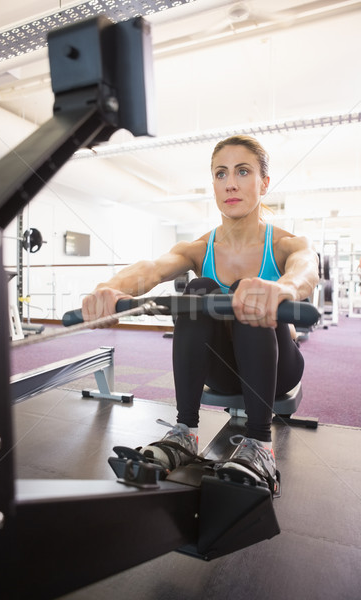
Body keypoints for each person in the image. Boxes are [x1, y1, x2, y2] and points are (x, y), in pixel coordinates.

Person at [82, 135, 319, 492]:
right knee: (199, 290)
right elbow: (151, 269)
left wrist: (282, 288)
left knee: (247, 289)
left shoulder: (286, 243)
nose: (231, 183)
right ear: (213, 185)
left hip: (279, 368)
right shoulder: (197, 248)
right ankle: (184, 433)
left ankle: (260, 445)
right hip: (222, 371)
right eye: (221, 174)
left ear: (264, 183)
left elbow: (306, 269)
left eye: (243, 171)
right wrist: (109, 288)